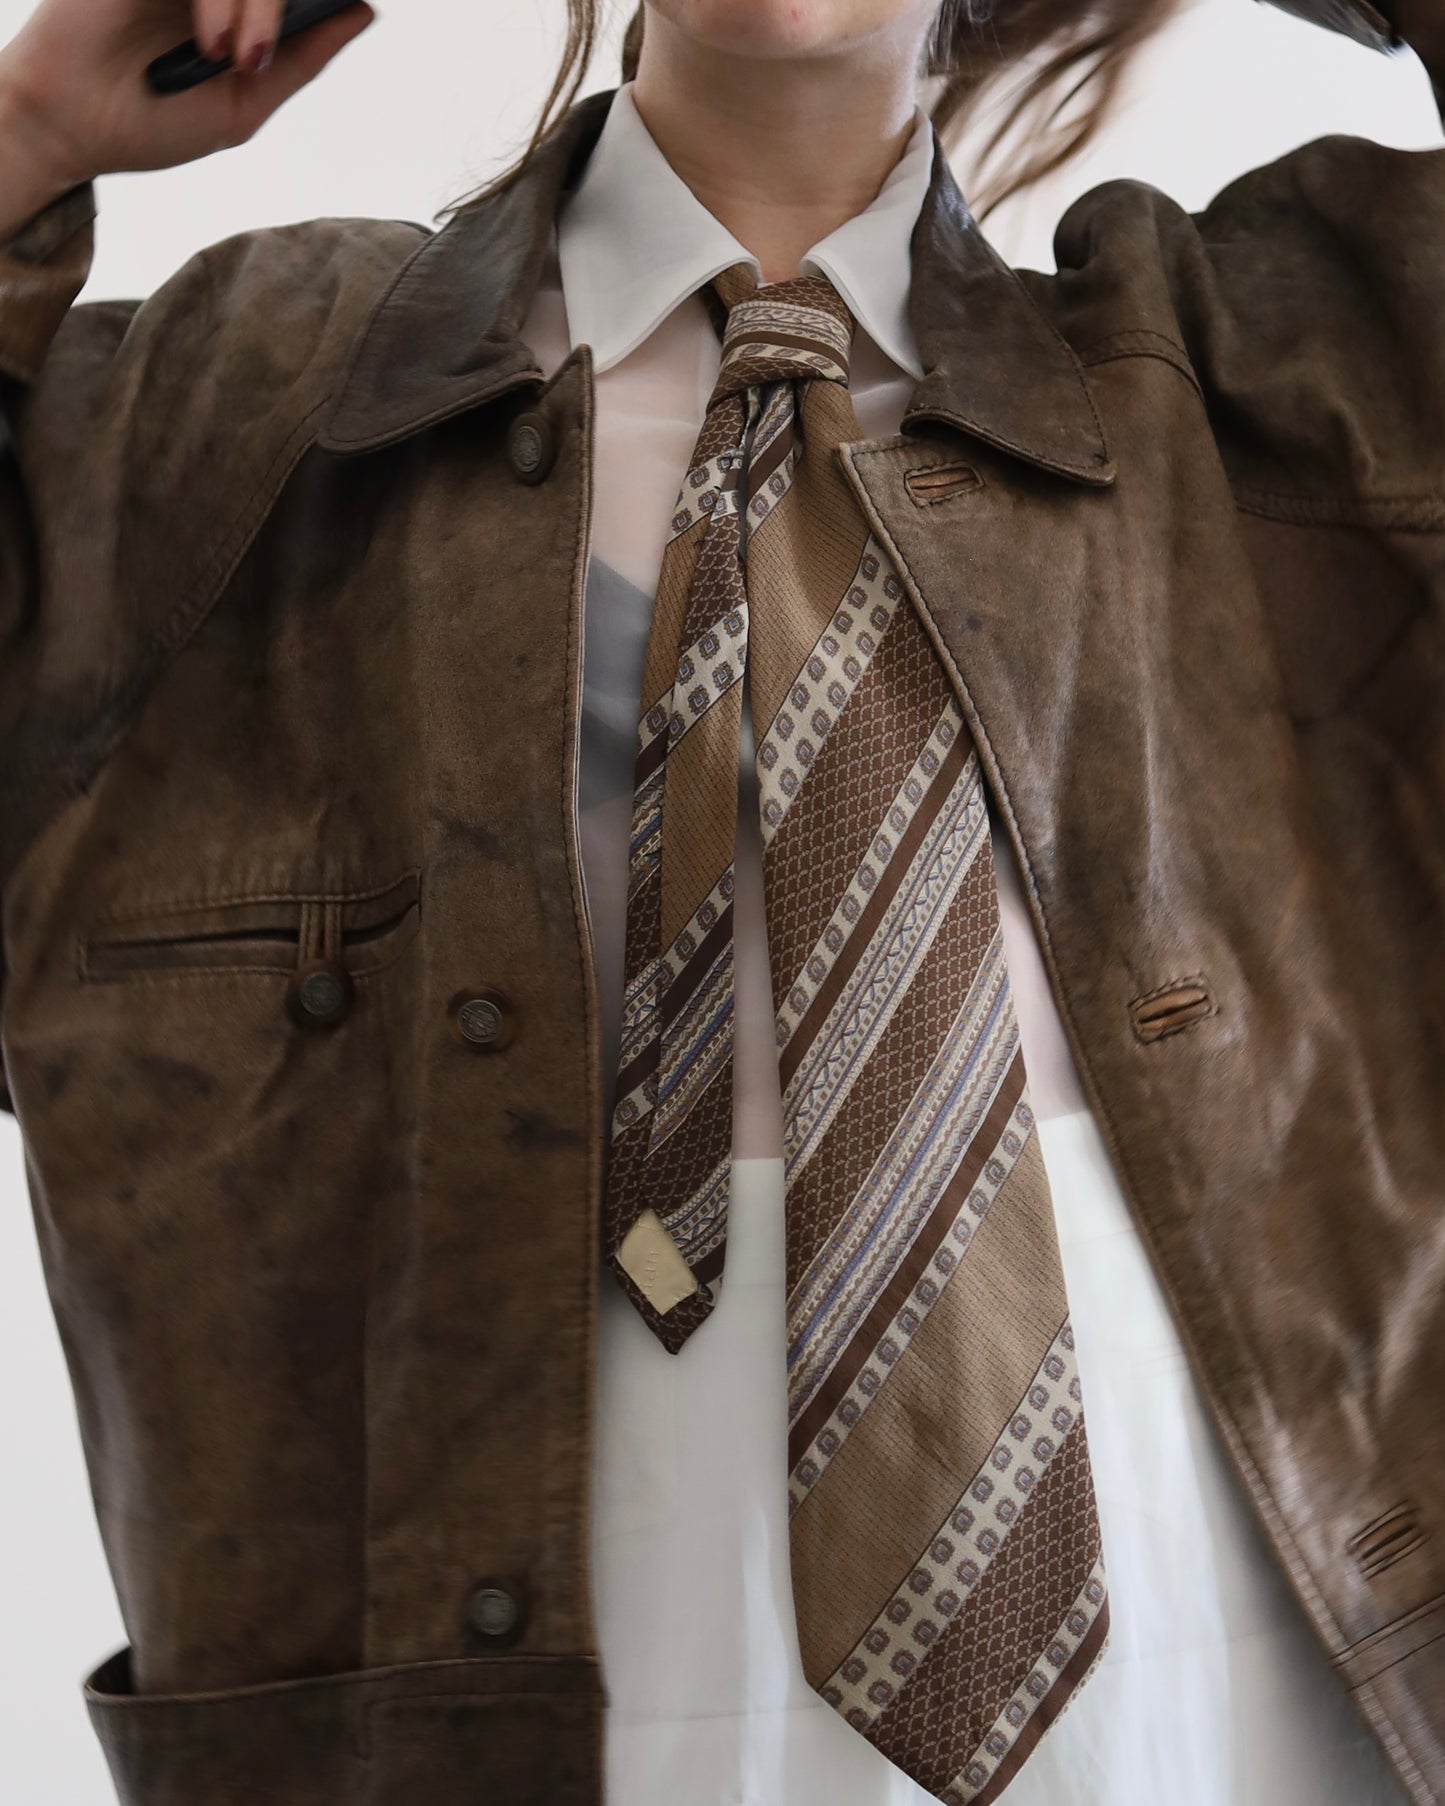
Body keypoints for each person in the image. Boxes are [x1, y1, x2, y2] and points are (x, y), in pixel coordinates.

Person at [0, 4, 1439, 1806]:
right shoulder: (220, 437)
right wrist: (28, 130)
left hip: (1218, 1652)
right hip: (536, 1683)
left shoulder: (1262, 389)